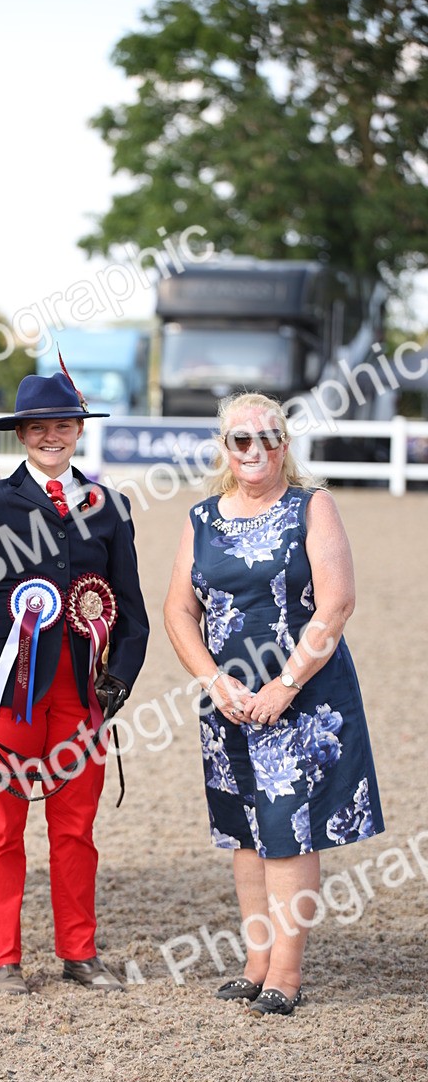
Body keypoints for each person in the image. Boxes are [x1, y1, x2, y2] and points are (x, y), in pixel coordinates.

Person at [0, 369, 150, 995]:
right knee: (1, 825)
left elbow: (130, 611)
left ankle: (79, 952)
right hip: (4, 687)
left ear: (78, 431)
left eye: (63, 425)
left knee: (75, 828)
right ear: (22, 434)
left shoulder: (108, 508)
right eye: (39, 427)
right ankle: (4, 958)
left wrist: (119, 681)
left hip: (81, 690)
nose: (52, 435)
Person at [163, 391, 384, 1016]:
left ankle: (285, 974)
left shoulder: (313, 507)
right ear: (225, 448)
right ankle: (256, 963)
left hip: (301, 695)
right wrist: (212, 680)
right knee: (245, 833)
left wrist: (284, 685)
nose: (254, 449)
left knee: (290, 834)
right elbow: (179, 609)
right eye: (240, 439)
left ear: (284, 444)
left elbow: (336, 603)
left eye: (267, 437)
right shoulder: (201, 518)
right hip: (229, 702)